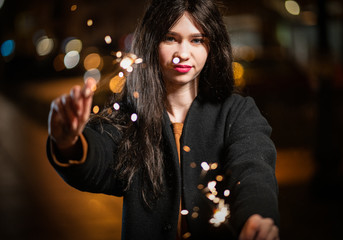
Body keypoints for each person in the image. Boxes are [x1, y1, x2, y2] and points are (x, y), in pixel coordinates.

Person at [46, 0, 280, 239]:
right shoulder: (131, 117)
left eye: (197, 40)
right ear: (151, 42)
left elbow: (253, 168)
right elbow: (97, 160)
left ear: (213, 46)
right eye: (170, 38)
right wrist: (69, 142)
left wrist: (256, 216)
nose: (183, 53)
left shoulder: (237, 113)